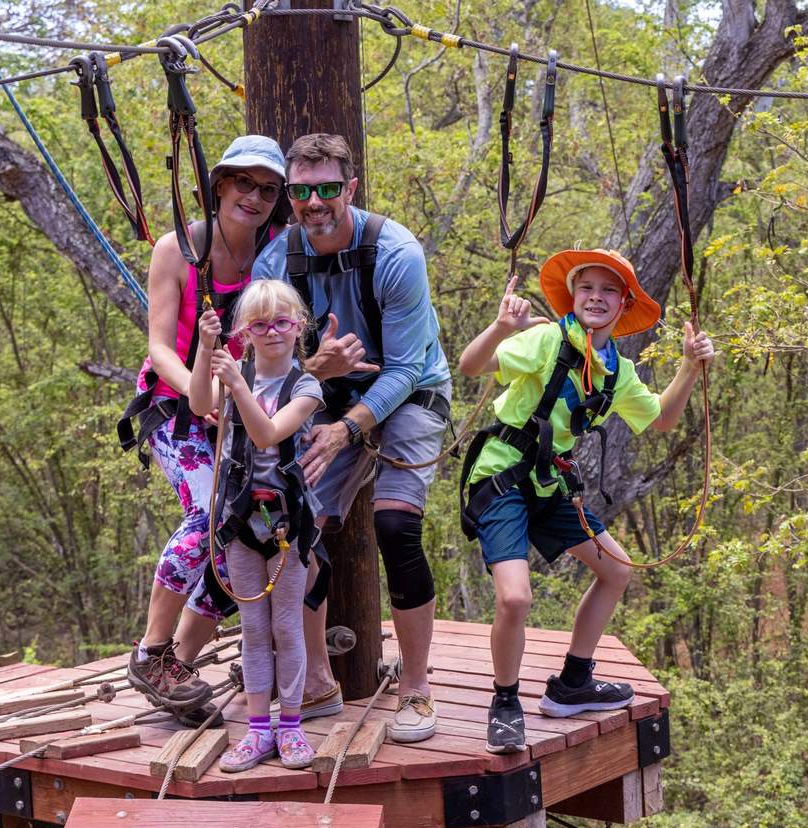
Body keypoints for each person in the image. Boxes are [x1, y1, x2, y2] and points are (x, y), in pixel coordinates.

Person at [457, 248, 714, 754]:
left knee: (617, 569)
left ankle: (573, 683)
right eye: (587, 288)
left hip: (550, 485)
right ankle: (505, 701)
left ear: (624, 304)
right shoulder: (547, 340)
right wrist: (502, 327)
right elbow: (471, 366)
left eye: (608, 290)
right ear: (574, 298)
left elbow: (661, 419)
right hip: (503, 478)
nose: (596, 297)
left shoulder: (617, 371)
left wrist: (687, 368)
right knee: (515, 598)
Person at [251, 133, 452, 743]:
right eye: (302, 191)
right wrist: (316, 373)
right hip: (322, 392)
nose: (315, 203)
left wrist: (347, 430)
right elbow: (268, 361)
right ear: (290, 194)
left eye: (328, 189)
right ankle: (314, 680)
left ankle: (415, 687)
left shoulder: (395, 252)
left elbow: (408, 368)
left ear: (351, 188)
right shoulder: (275, 263)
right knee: (292, 524)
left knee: (395, 523)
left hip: (409, 394)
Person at [118, 135, 288, 724]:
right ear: (220, 186)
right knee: (211, 508)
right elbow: (160, 347)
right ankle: (151, 651)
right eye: (244, 183)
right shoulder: (179, 249)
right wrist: (205, 394)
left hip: (240, 407)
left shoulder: (274, 254)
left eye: (268, 190)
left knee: (249, 529)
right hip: (174, 407)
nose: (255, 198)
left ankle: (178, 667)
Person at [189, 279, 324, 771]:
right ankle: (257, 729)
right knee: (252, 627)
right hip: (240, 521)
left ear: (299, 328)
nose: (272, 333)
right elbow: (197, 400)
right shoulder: (233, 374)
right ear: (245, 333)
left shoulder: (306, 387)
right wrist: (207, 351)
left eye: (283, 323)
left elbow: (267, 434)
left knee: (286, 627)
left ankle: (290, 725)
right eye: (261, 325)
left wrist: (239, 386)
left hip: (288, 524)